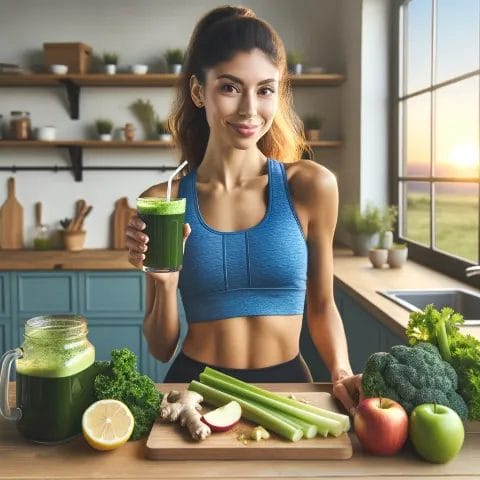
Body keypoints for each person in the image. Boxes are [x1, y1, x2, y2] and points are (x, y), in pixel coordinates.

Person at [126, 5, 362, 415]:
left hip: (288, 393)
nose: (250, 110)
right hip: (194, 394)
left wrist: (340, 370)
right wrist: (164, 283)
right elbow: (161, 348)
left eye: (265, 89)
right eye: (231, 88)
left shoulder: (310, 186)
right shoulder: (165, 201)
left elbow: (322, 306)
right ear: (200, 91)